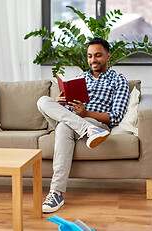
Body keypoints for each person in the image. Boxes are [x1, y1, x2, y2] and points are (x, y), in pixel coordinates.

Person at [37, 37, 130, 213]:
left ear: (108, 56)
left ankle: (55, 193)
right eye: (89, 56)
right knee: (43, 101)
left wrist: (86, 114)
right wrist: (60, 103)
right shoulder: (79, 78)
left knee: (64, 127)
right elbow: (62, 107)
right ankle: (86, 130)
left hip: (96, 123)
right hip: (73, 119)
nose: (93, 60)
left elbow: (115, 117)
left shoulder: (118, 80)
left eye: (98, 55)